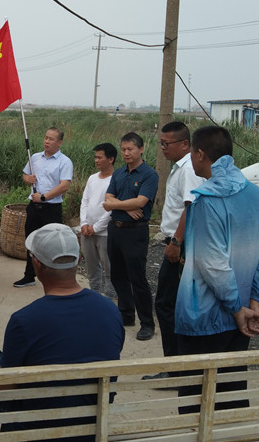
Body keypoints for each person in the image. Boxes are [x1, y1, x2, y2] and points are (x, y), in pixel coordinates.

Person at [0, 223, 125, 441]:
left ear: (36, 264)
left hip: (36, 425)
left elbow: (7, 390)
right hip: (91, 420)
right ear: (78, 260)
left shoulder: (24, 320)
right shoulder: (110, 310)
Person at [174, 126, 259, 413]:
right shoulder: (256, 194)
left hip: (205, 315)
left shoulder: (206, 200)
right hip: (243, 314)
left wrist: (234, 307)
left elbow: (212, 263)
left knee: (197, 400)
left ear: (200, 154)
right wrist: (254, 303)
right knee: (230, 391)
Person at [151, 122, 205, 371]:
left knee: (167, 305)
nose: (163, 148)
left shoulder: (189, 169)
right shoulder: (179, 167)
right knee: (169, 304)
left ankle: (175, 368)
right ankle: (176, 364)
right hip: (178, 243)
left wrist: (176, 242)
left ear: (185, 144)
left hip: (181, 246)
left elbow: (191, 207)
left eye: (167, 143)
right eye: (161, 143)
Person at [102, 132, 157, 341]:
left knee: (137, 278)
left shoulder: (149, 174)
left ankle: (147, 323)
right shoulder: (118, 173)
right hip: (115, 229)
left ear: (141, 149)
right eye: (123, 149)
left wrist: (116, 204)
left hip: (135, 231)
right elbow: (107, 198)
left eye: (130, 149)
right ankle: (126, 315)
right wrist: (126, 207)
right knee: (117, 275)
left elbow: (141, 202)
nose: (126, 153)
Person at [13, 127, 73, 288]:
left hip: (51, 209)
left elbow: (64, 185)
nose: (47, 141)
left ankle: (56, 277)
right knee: (31, 242)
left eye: (51, 139)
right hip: (34, 207)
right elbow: (25, 175)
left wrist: (44, 197)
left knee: (53, 244)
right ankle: (29, 276)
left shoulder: (64, 162)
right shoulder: (34, 157)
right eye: (46, 138)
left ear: (59, 143)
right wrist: (28, 179)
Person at [79, 143, 116, 297]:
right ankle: (94, 295)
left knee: (109, 268)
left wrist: (96, 227)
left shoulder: (116, 179)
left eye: (100, 157)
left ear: (111, 159)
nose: (96, 160)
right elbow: (85, 201)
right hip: (87, 231)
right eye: (95, 157)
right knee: (92, 267)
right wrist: (84, 223)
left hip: (105, 233)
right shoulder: (92, 178)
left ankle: (110, 297)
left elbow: (112, 208)